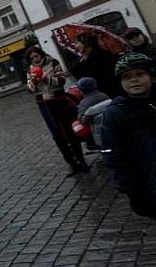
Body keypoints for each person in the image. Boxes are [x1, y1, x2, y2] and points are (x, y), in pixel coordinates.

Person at [101, 53, 156, 219]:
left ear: (152, 77)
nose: (133, 80)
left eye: (140, 74)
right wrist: (127, 185)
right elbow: (112, 152)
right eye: (126, 77)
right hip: (148, 184)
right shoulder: (115, 113)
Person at [26, 46, 89, 176]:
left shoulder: (53, 62)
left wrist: (45, 78)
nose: (35, 59)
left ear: (41, 55)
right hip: (43, 104)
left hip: (59, 100)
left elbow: (61, 80)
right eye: (31, 58)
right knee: (57, 134)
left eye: (36, 56)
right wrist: (33, 82)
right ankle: (71, 163)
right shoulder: (30, 69)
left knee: (69, 130)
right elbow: (30, 89)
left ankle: (81, 160)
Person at [70, 32, 120, 98]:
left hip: (109, 95)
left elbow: (89, 79)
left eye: (77, 43)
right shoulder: (88, 58)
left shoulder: (101, 56)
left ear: (86, 43)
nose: (76, 46)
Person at [75, 77, 110, 150]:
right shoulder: (104, 95)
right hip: (112, 127)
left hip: (100, 134)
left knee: (107, 151)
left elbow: (83, 120)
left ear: (81, 91)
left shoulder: (83, 103)